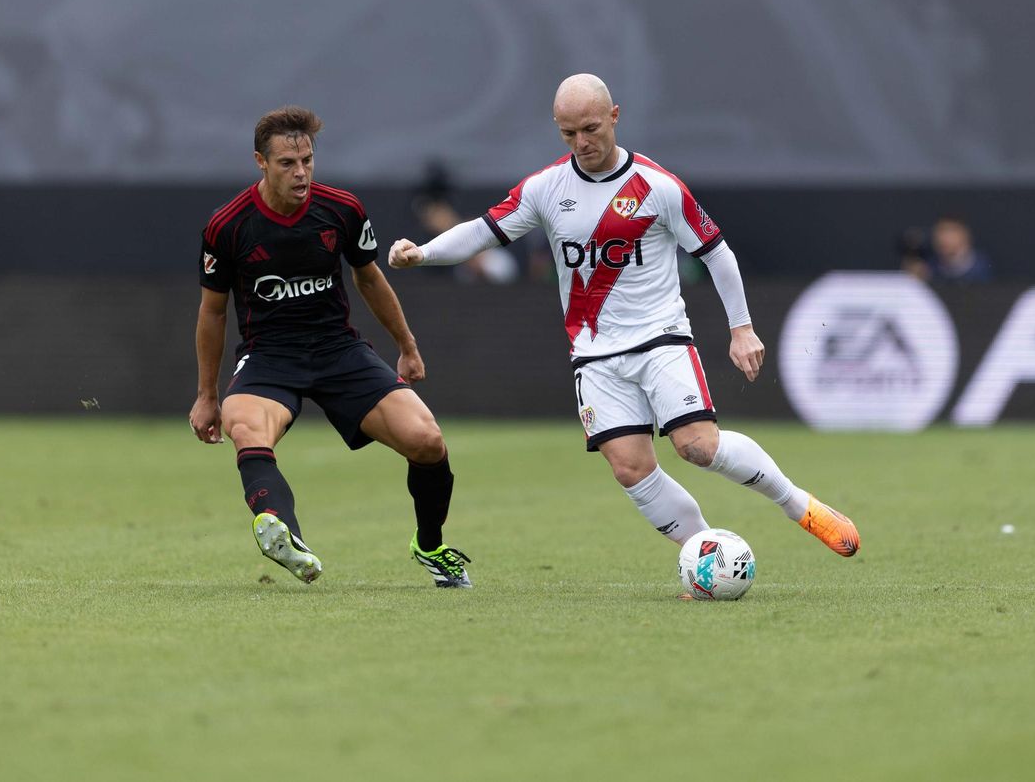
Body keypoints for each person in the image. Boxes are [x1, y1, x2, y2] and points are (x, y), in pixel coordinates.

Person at [389, 74, 860, 562]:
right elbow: (483, 232)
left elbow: (717, 253)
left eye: (590, 128)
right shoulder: (546, 188)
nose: (582, 142)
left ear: (615, 116)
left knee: (697, 446)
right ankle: (706, 554)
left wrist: (741, 328)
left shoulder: (658, 187)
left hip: (661, 340)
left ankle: (798, 505)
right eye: (568, 134)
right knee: (630, 468)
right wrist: (422, 253)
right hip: (594, 355)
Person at [188, 106, 471, 588]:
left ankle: (429, 545)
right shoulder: (228, 226)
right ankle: (283, 534)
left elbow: (370, 278)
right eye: (287, 164)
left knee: (427, 441)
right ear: (260, 162)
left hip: (338, 351)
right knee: (244, 427)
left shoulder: (340, 209)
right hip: (270, 355)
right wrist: (206, 394)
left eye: (308, 161)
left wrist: (407, 345)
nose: (301, 173)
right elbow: (212, 312)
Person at [900, 215, 993, 283]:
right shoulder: (930, 265)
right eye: (940, 231)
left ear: (964, 235)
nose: (943, 238)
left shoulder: (980, 266)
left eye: (950, 231)